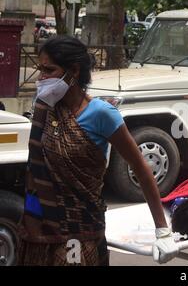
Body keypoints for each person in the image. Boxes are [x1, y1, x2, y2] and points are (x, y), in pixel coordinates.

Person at [17, 36, 177, 266]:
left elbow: (141, 169)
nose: (41, 77)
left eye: (49, 70)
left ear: (73, 70)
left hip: (79, 231)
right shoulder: (44, 106)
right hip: (35, 228)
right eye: (40, 69)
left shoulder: (102, 114)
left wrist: (162, 230)